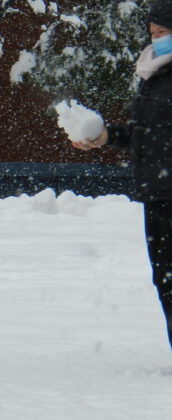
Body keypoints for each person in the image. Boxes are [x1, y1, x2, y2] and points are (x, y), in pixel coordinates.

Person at [72, 0, 172, 350]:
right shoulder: (154, 76)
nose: (157, 39)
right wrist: (106, 137)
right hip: (157, 191)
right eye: (153, 33)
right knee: (165, 278)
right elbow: (148, 134)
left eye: (163, 32)